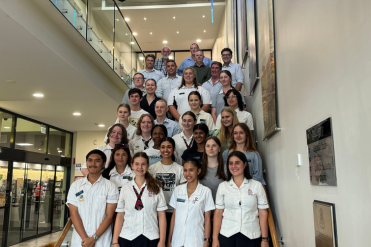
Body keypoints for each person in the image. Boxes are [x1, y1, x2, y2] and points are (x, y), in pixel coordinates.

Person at [212, 151, 269, 247]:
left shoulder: (256, 186)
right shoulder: (223, 186)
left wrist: (265, 239)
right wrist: (215, 239)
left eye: (237, 163)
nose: (234, 166)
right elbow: (218, 213)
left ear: (245, 164)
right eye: (231, 163)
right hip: (227, 235)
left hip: (251, 235)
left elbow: (263, 212)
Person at [112, 152, 167, 247]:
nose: (140, 167)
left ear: (148, 166)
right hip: (127, 237)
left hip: (151, 237)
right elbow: (120, 215)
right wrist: (115, 242)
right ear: (132, 166)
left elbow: (161, 215)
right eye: (137, 164)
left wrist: (162, 241)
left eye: (143, 164)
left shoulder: (156, 187)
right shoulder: (125, 188)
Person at [67, 150, 118, 247]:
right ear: (86, 163)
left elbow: (109, 216)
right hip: (79, 241)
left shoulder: (111, 187)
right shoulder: (76, 186)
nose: (93, 164)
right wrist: (85, 239)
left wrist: (93, 238)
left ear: (103, 164)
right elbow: (73, 213)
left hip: (102, 241)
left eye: (97, 161)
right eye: (90, 160)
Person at [167, 159, 215, 247]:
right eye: (185, 170)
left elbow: (207, 219)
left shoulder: (206, 191)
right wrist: (169, 239)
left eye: (191, 170)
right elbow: (174, 216)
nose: (187, 173)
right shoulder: (178, 190)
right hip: (177, 240)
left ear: (198, 171)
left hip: (196, 240)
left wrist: (207, 241)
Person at [148, 137, 186, 240]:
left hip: (174, 212)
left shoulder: (180, 169)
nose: (165, 150)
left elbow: (182, 193)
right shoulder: (152, 169)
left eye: (169, 147)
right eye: (163, 147)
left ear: (173, 149)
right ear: (159, 149)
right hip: (156, 211)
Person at [199, 136, 227, 201]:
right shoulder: (198, 168)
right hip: (203, 208)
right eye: (208, 146)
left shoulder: (226, 168)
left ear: (219, 149)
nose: (210, 148)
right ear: (205, 149)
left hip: (221, 208)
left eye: (214, 145)